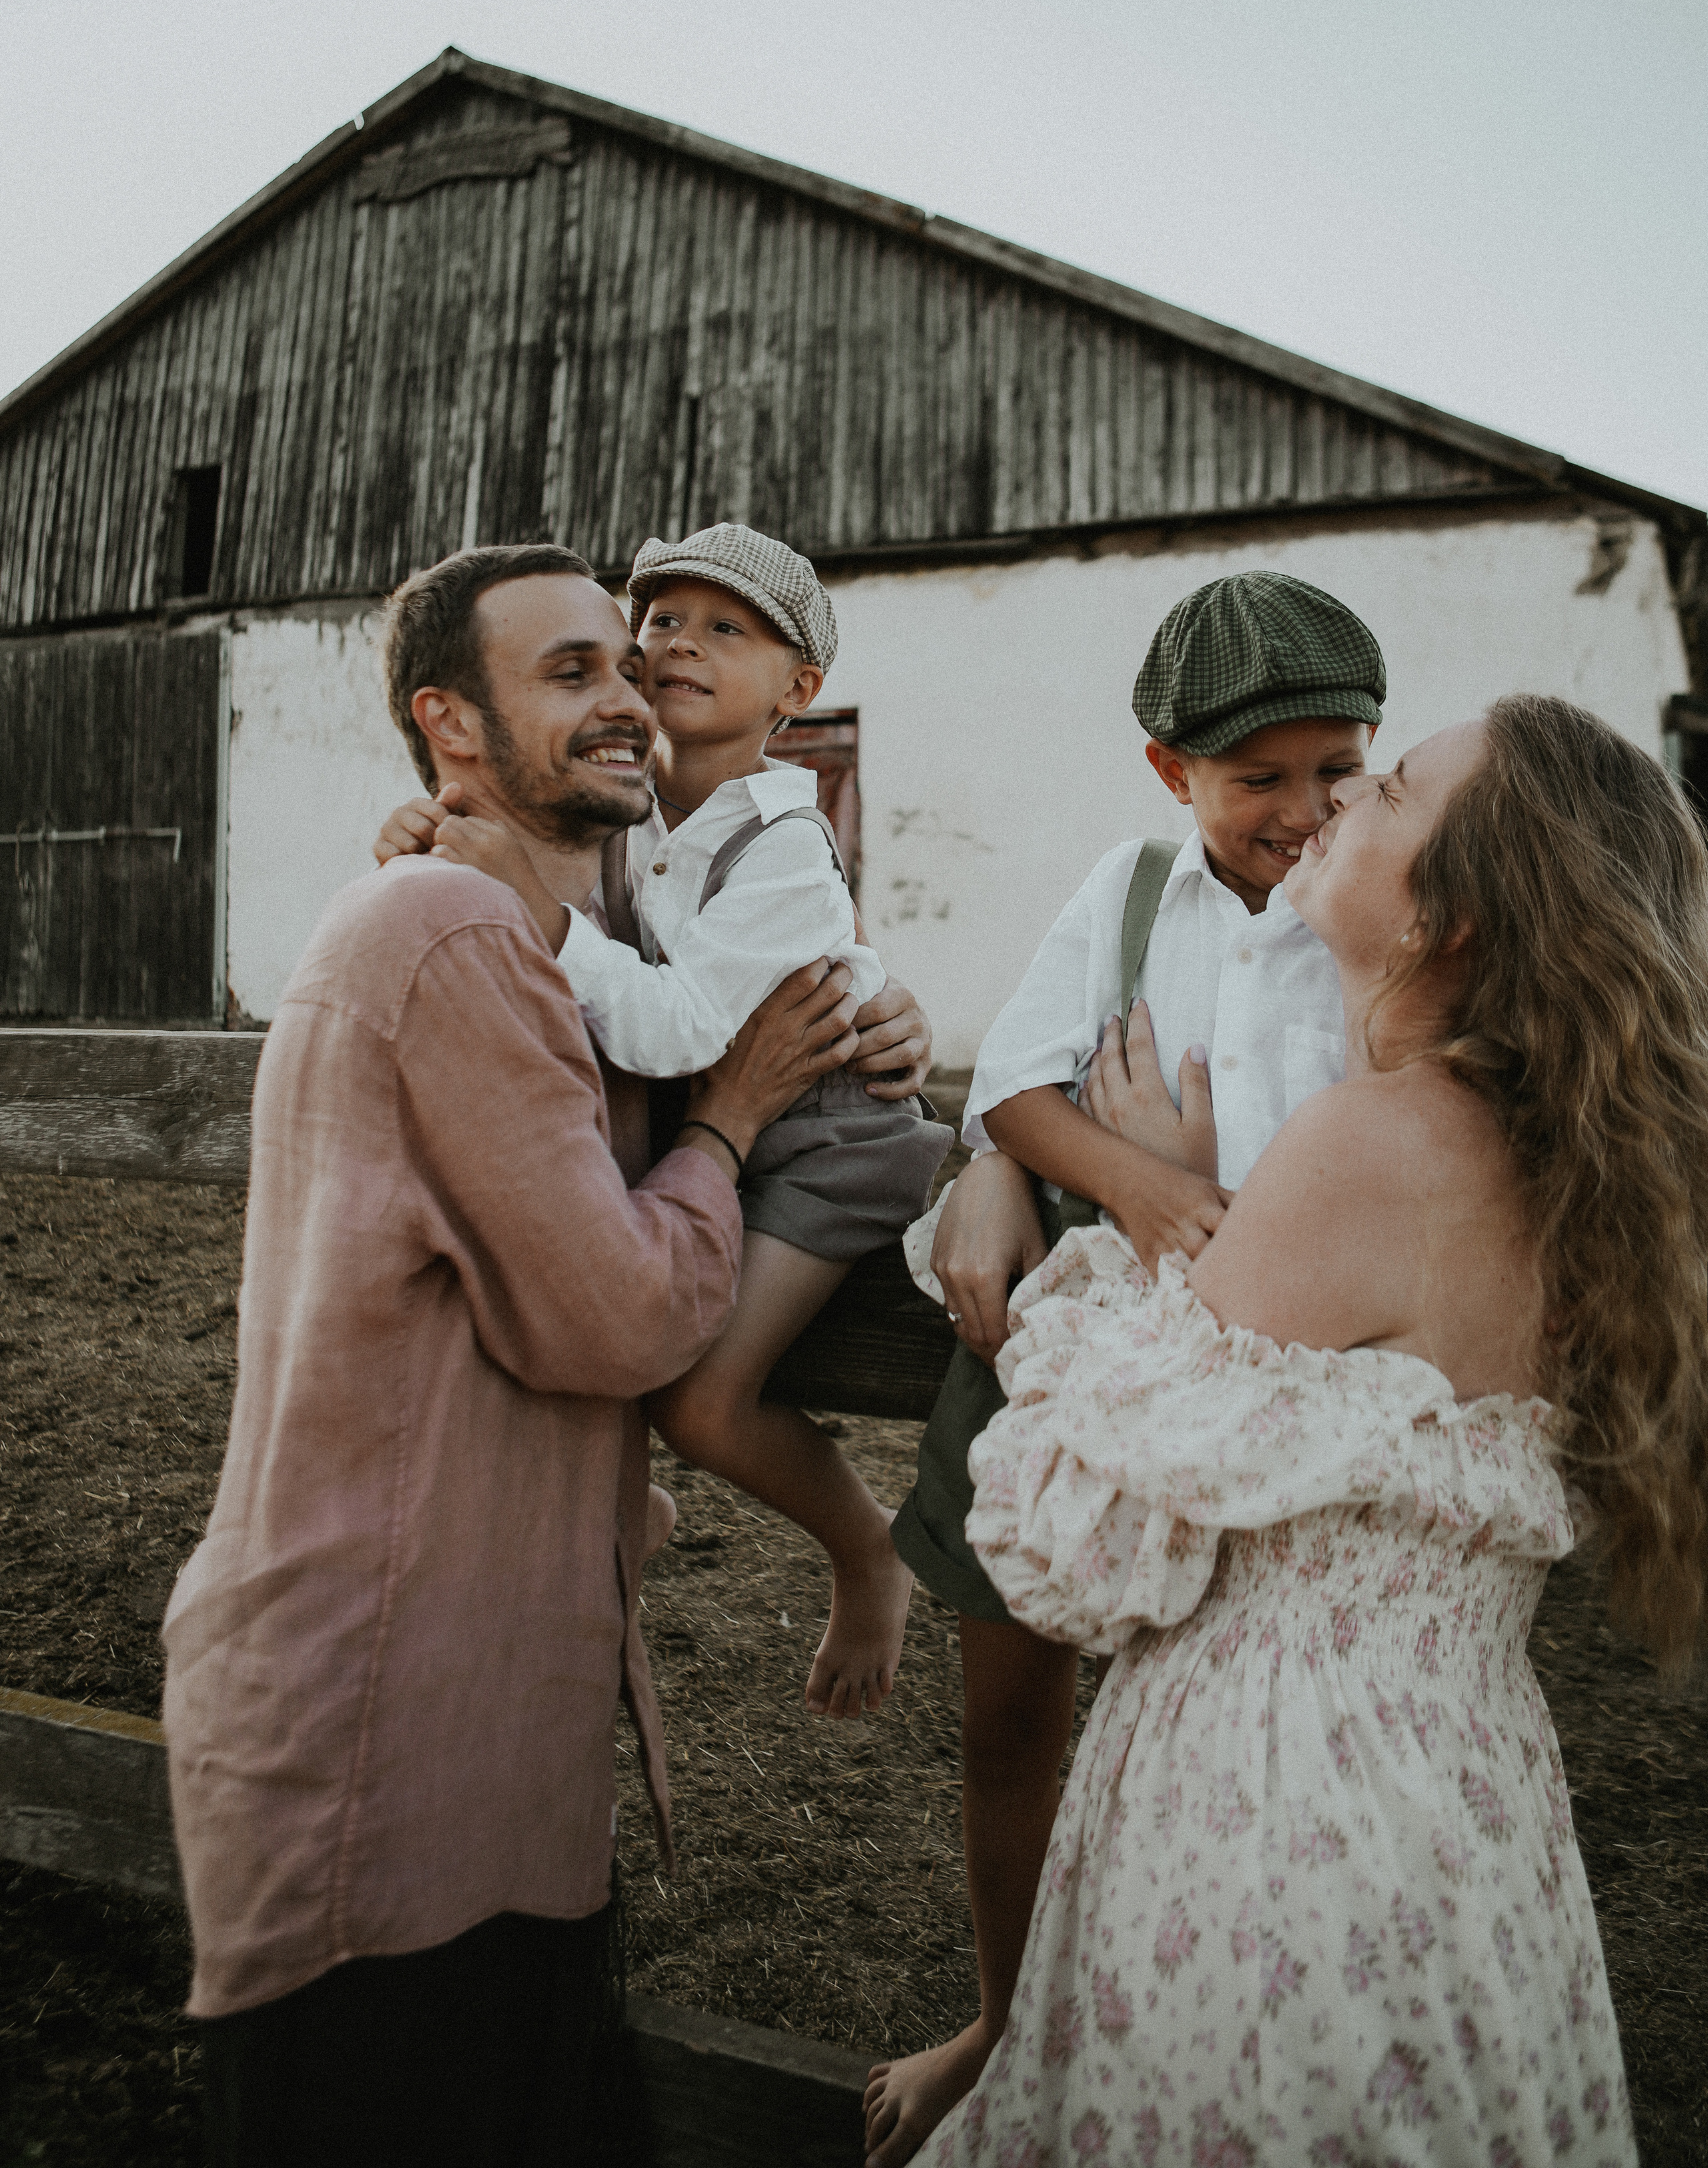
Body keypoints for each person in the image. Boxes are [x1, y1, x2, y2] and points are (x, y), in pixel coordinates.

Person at [163, 545, 875, 2168]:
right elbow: (624, 1313)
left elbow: (685, 1004)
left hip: (467, 1727)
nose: (629, 695)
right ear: (451, 725)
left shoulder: (530, 925)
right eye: (571, 674)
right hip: (386, 1740)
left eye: (626, 665)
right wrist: (741, 1114)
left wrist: (858, 1026)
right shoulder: (456, 932)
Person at [924, 694, 1708, 2165]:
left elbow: (1081, 1541)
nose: (1336, 805)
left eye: (1386, 790)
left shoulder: (1373, 1143)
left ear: (1445, 919)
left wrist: (1150, 1232)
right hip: (1461, 1804)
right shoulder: (1559, 1160)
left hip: (1281, 1817)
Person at [868, 570, 1386, 2162]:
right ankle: (1008, 2016)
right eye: (1257, 780)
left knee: (1230, 1747)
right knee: (1009, 1715)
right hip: (1070, 1344)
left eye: (1337, 770)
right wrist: (1125, 1179)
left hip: (1272, 1383)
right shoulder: (1132, 890)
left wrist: (1204, 1184)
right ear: (1171, 772)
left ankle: (1211, 2067)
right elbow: (1014, 1083)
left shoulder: (1387, 916)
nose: (1304, 813)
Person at [376, 523, 949, 1721]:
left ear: (798, 692)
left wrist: (535, 913)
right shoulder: (637, 812)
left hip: (835, 1139)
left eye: (724, 629)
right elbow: (525, 835)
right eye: (663, 619)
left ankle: (868, 1549)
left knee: (701, 1398)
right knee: (611, 1280)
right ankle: (622, 1508)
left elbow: (684, 1027)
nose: (676, 641)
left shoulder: (784, 840)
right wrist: (427, 827)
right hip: (750, 1125)